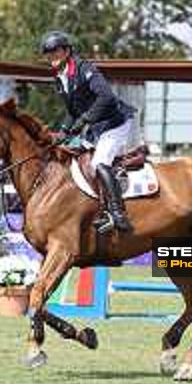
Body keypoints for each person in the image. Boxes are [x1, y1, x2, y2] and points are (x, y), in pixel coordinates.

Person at [40, 30, 136, 233]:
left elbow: (107, 97)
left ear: (66, 51)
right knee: (71, 157)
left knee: (99, 163)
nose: (51, 57)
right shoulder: (61, 78)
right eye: (48, 53)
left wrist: (84, 119)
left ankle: (118, 215)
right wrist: (64, 131)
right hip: (96, 128)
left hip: (114, 123)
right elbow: (72, 111)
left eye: (55, 51)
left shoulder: (84, 68)